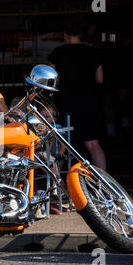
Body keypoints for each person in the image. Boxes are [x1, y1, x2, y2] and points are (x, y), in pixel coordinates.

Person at [48, 22, 107, 170]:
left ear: (65, 35)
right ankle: (105, 179)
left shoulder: (58, 52)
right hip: (89, 102)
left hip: (65, 102)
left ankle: (57, 182)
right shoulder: (92, 51)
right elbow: (100, 79)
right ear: (80, 34)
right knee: (93, 143)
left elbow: (50, 79)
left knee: (62, 142)